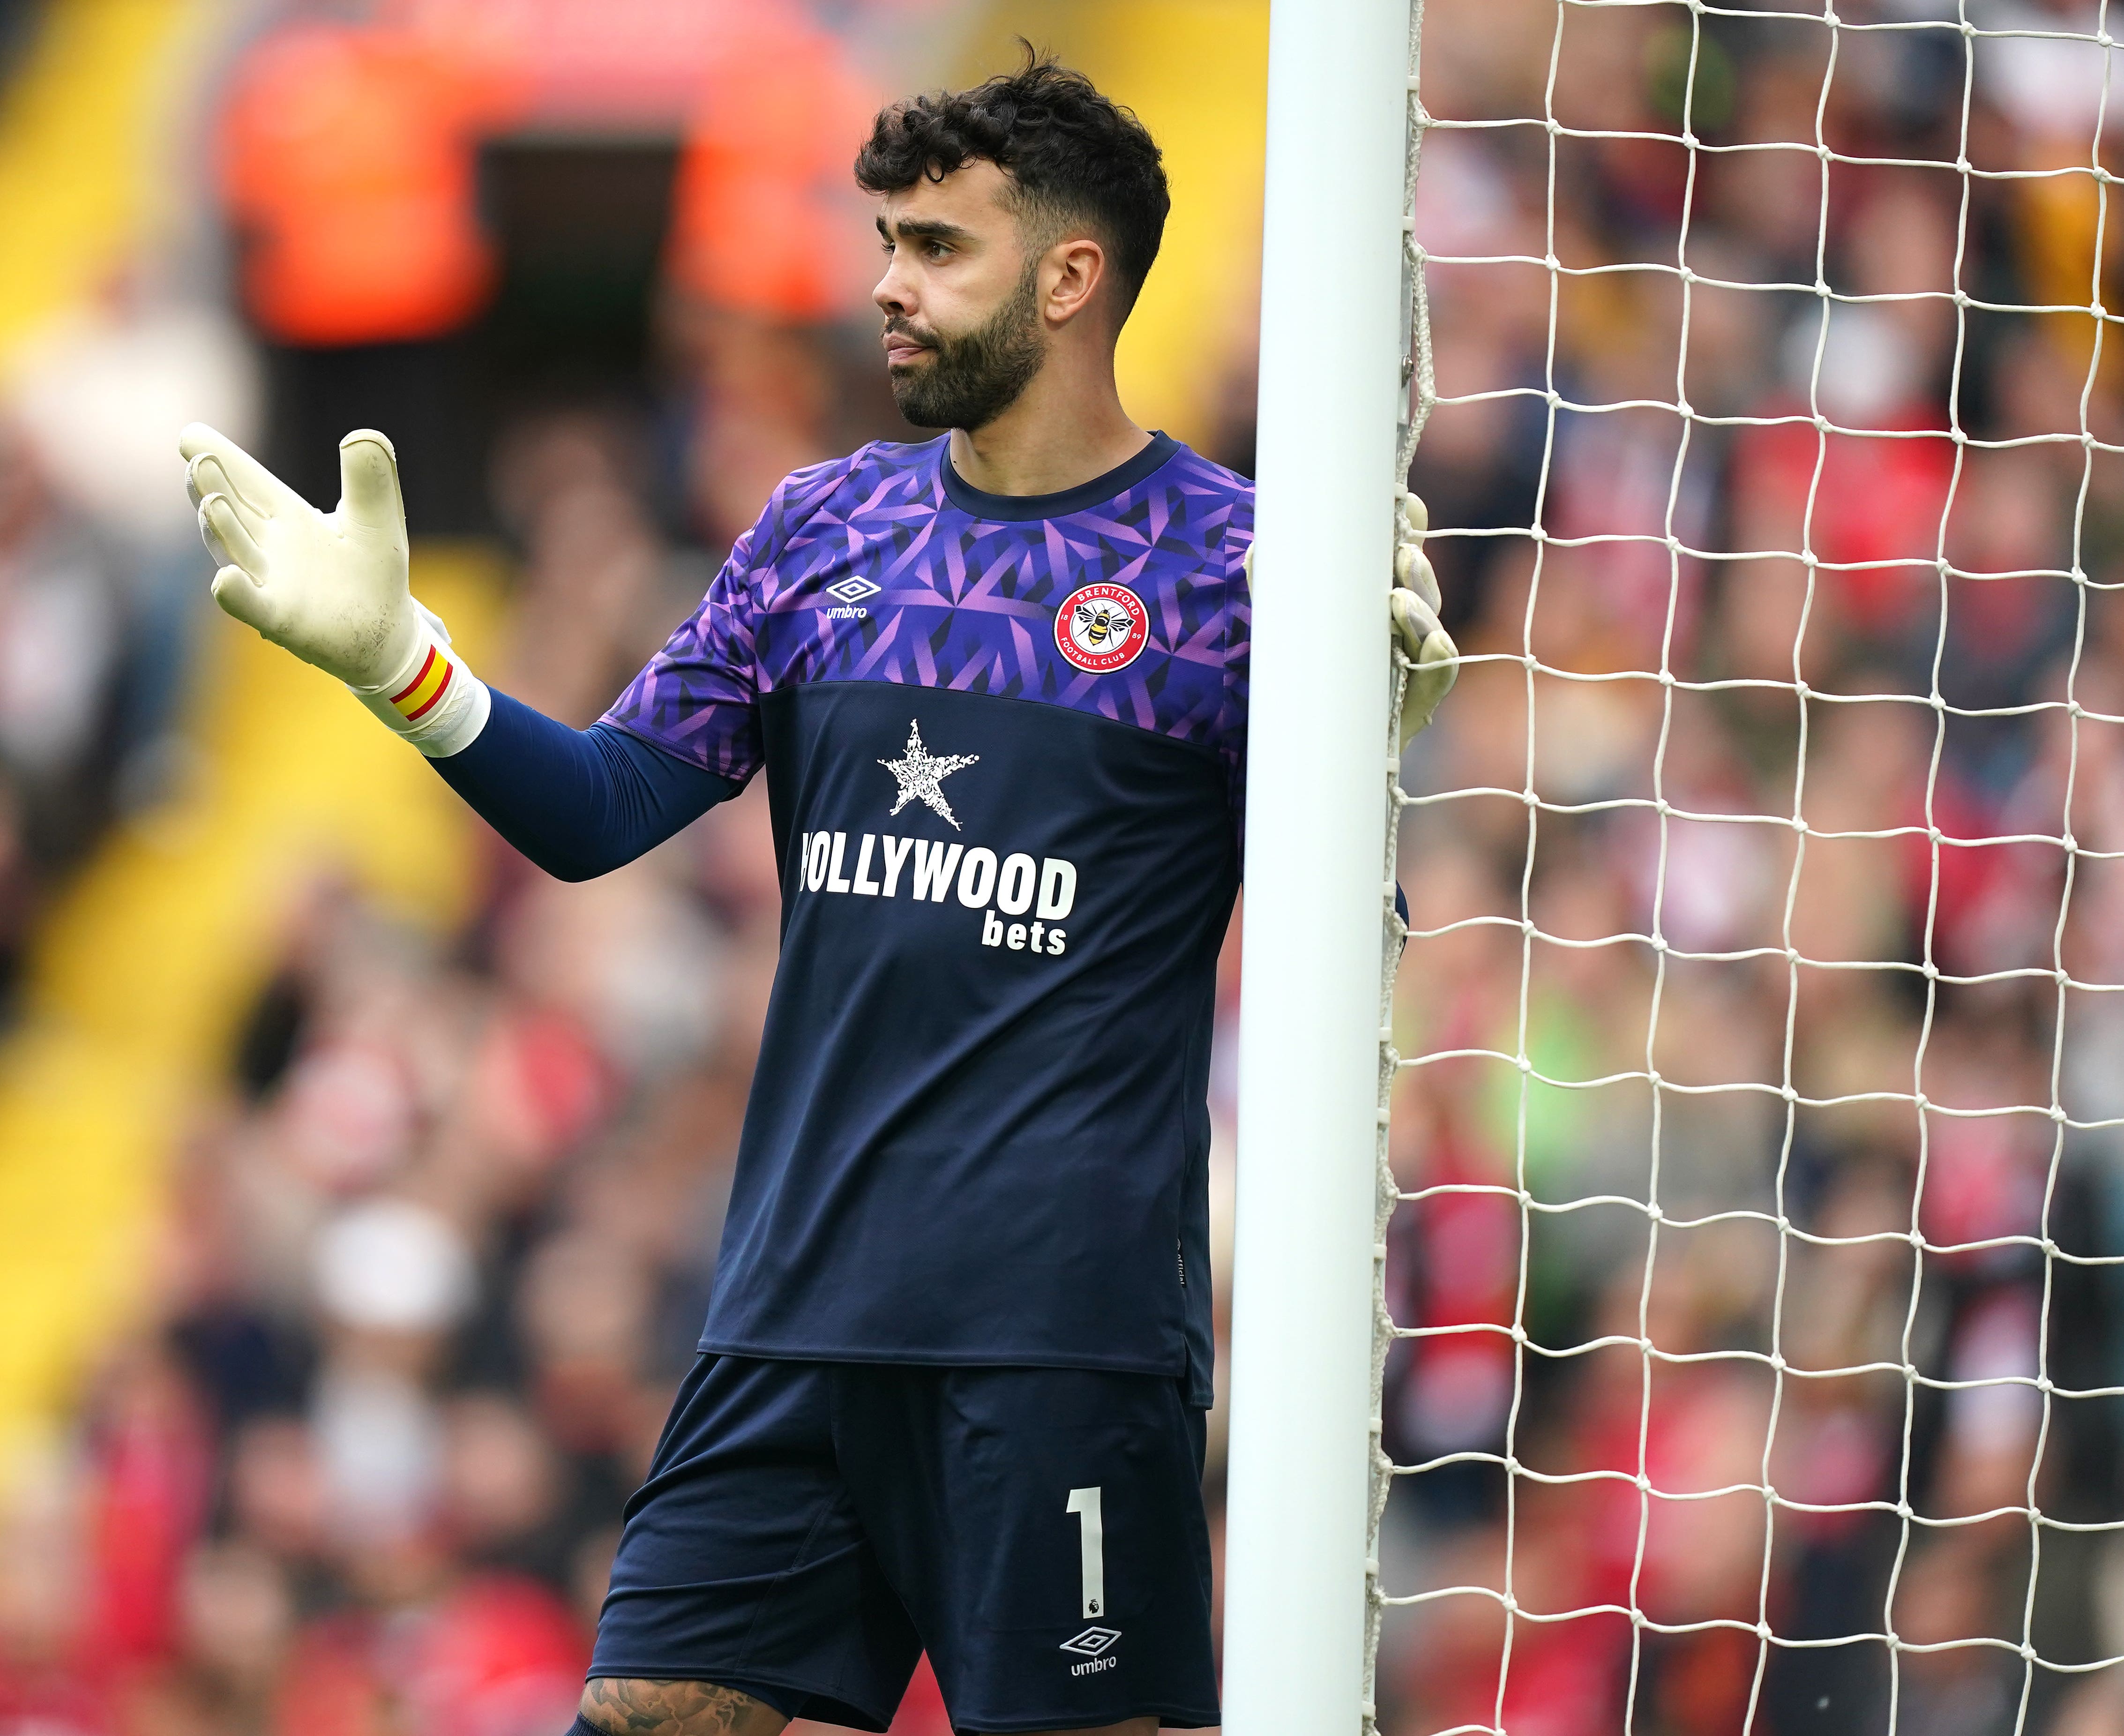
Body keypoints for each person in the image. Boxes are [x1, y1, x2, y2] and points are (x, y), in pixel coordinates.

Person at [179, 51, 1458, 1736]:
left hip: (1056, 1346)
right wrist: (402, 666)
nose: (884, 285)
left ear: (1072, 279)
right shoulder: (819, 531)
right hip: (794, 1320)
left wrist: (1367, 764)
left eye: (936, 248)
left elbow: (1334, 964)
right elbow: (604, 809)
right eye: (885, 243)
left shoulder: (1238, 574)